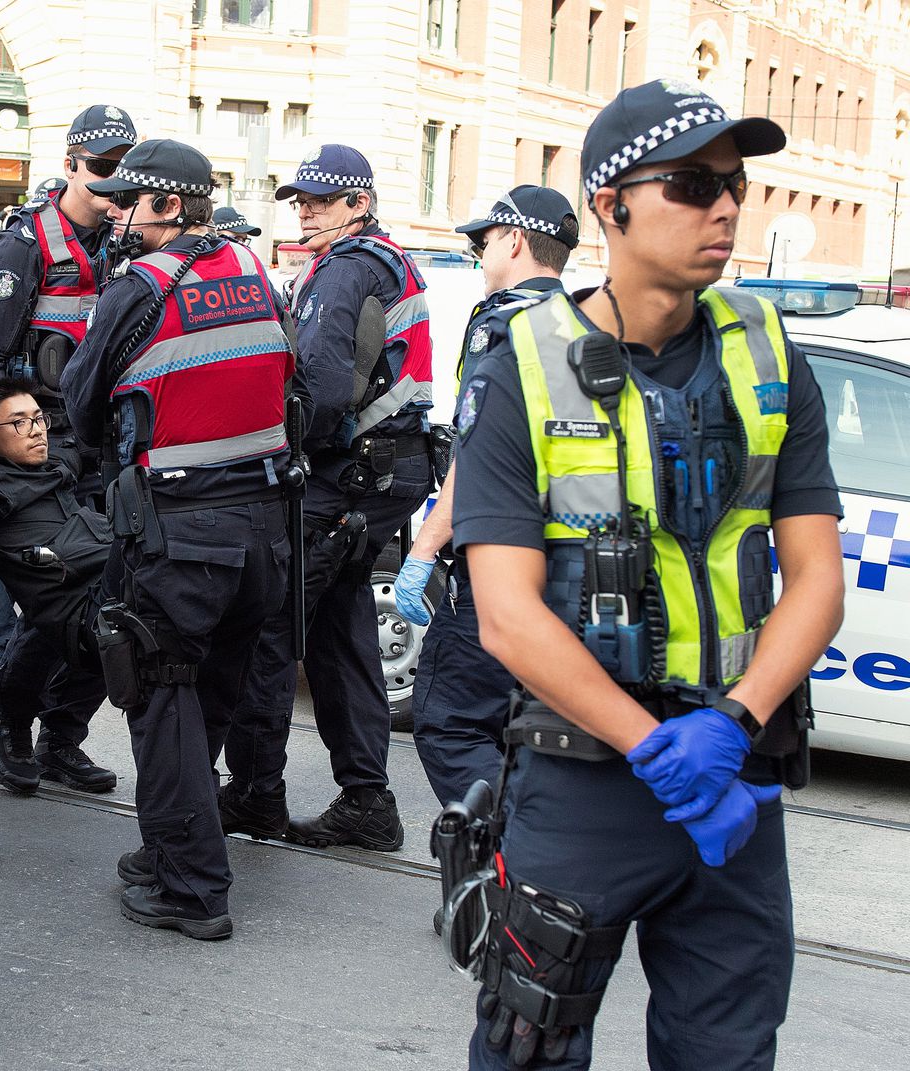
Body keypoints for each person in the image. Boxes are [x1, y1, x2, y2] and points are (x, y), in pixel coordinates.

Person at [453, 79, 844, 1069]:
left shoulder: (766, 355)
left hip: (732, 777)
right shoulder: (520, 366)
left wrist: (732, 726)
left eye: (733, 186)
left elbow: (813, 578)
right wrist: (654, 749)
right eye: (688, 184)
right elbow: (505, 616)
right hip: (586, 777)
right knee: (526, 1046)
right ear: (608, 202)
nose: (721, 207)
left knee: (726, 1052)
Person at [61, 139, 294, 940]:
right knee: (209, 700)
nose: (117, 213)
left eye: (131, 202)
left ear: (167, 207)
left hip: (180, 534)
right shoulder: (254, 270)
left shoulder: (141, 286)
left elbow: (82, 399)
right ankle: (171, 848)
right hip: (263, 534)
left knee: (161, 699)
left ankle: (192, 888)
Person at [221, 144, 433, 852]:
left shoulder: (343, 270)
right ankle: (367, 800)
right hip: (385, 477)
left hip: (344, 476)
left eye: (319, 200)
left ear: (359, 205)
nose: (305, 211)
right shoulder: (390, 261)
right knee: (343, 638)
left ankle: (255, 792)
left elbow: (319, 388)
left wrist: (265, 450)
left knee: (269, 629)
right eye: (300, 200)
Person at [395, 185, 578, 809]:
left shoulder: (502, 323)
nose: (479, 255)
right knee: (526, 729)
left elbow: (478, 454)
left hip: (497, 559)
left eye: (484, 242)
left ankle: (508, 857)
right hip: (562, 559)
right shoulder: (582, 322)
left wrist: (422, 552)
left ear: (516, 240)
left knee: (450, 723)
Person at [0, 105, 137, 789]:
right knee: (58, 604)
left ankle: (61, 735)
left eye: (122, 173)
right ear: (69, 164)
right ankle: (10, 718)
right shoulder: (26, 245)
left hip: (101, 450)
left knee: (116, 597)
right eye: (100, 170)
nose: (110, 186)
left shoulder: (126, 247)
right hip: (36, 461)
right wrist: (38, 392)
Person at [0, 380, 113, 796]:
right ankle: (7, 721)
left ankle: (60, 741)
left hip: (91, 585)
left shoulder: (57, 463)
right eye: (18, 422)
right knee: (59, 622)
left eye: (38, 419)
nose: (35, 429)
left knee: (120, 621)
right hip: (51, 599)